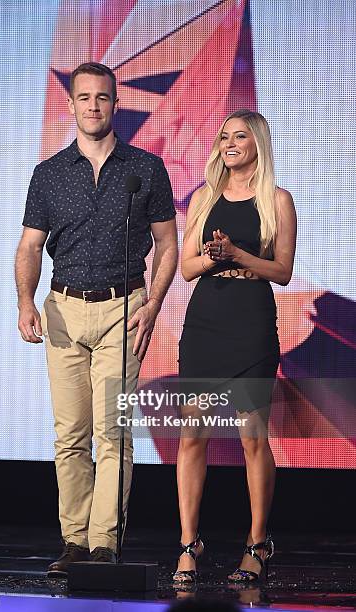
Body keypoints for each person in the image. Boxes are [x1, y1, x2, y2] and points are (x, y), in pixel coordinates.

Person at [14, 62, 177, 573]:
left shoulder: (145, 167)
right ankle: (74, 541)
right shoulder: (48, 174)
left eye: (102, 98)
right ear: (72, 105)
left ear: (115, 104)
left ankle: (104, 541)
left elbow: (168, 243)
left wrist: (152, 304)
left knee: (113, 432)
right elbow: (30, 247)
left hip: (122, 310)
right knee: (70, 434)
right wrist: (25, 301)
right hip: (62, 311)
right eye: (84, 98)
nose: (93, 106)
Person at [173, 109, 296, 584]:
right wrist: (213, 255)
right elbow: (185, 268)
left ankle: (258, 542)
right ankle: (188, 545)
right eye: (224, 135)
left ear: (257, 143)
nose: (228, 143)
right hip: (206, 324)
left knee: (251, 437)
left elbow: (282, 271)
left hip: (251, 325)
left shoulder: (277, 201)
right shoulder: (204, 198)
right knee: (191, 435)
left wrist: (240, 254)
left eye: (239, 136)